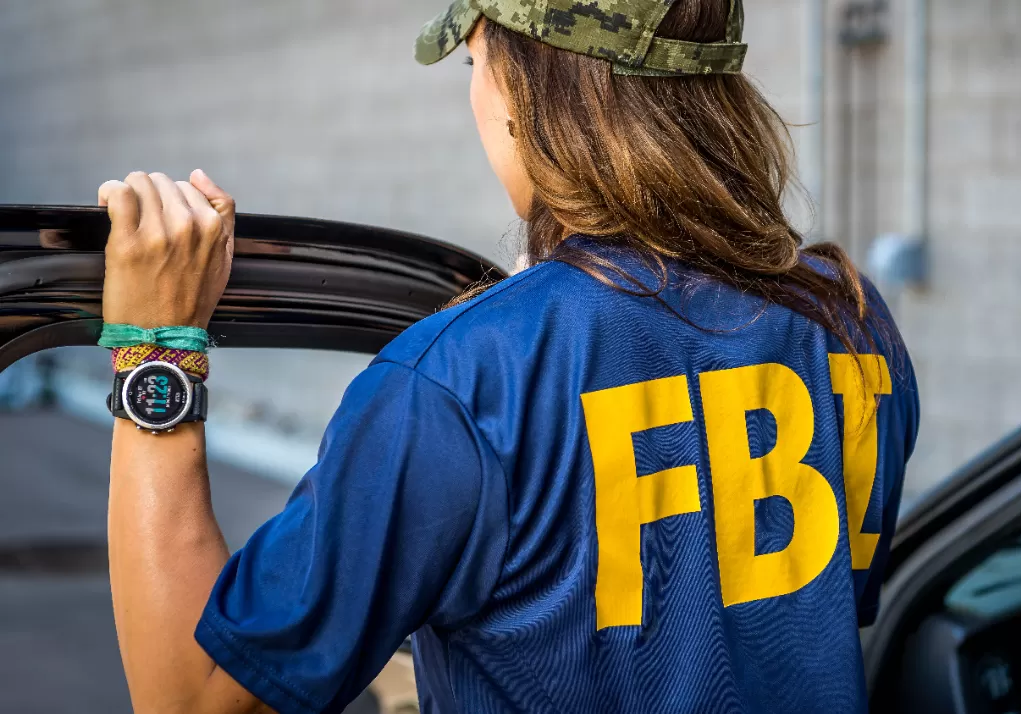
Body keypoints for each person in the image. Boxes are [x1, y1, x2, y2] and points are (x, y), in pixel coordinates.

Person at [96, 0, 920, 711]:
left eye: (475, 58)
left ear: (529, 86)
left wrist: (154, 347)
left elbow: (195, 695)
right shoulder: (850, 319)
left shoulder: (463, 380)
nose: (475, 92)